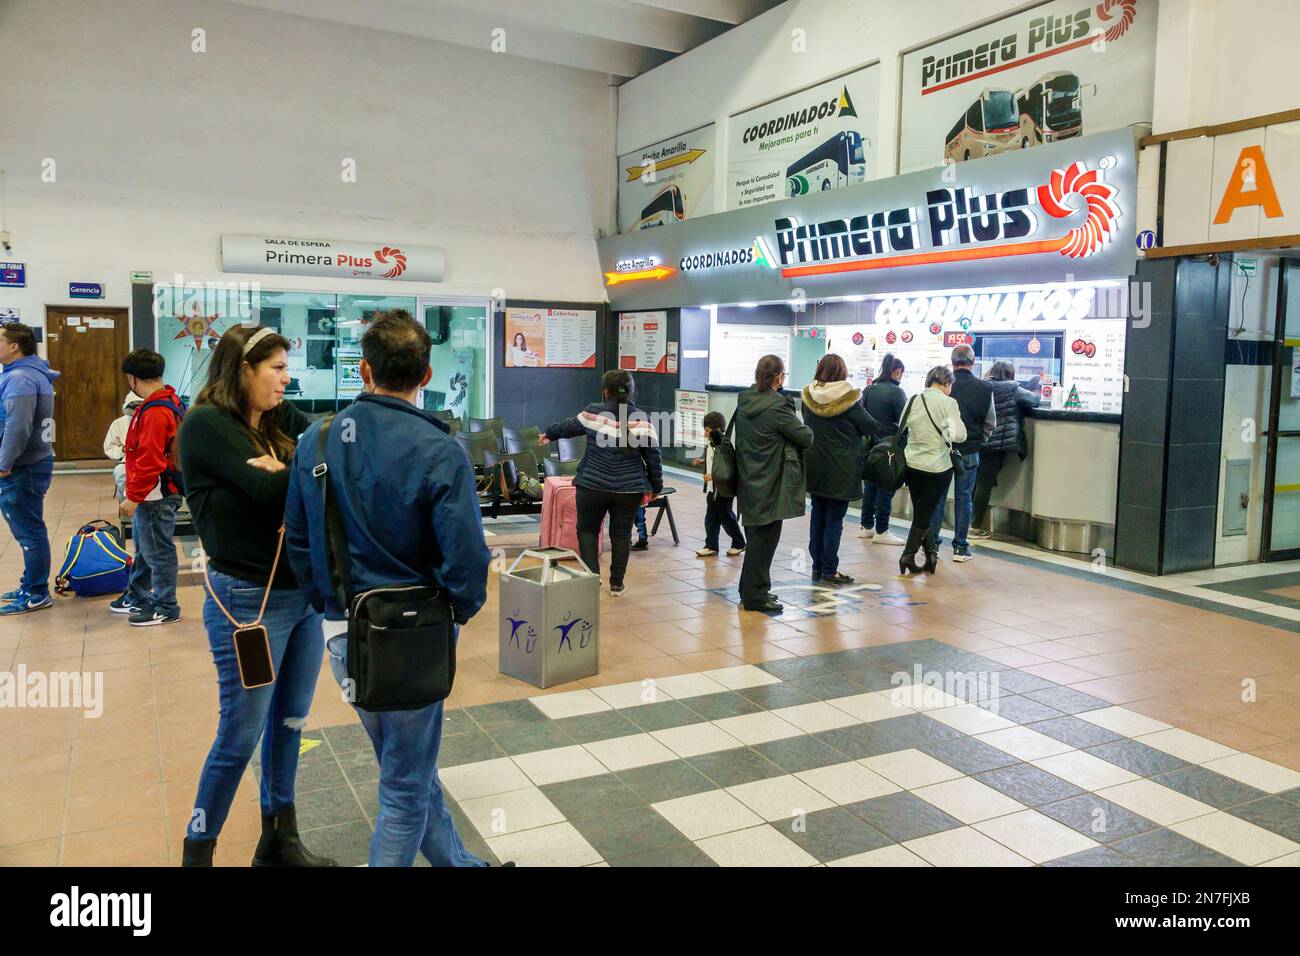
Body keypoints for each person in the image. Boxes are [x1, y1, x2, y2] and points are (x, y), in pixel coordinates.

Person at [284, 310, 494, 867]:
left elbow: (298, 540)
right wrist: (454, 610)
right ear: (426, 375)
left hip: (342, 634)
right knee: (404, 785)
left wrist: (326, 603)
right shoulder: (439, 449)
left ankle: (460, 864)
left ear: (363, 369)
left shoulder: (318, 440)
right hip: (414, 639)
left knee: (409, 768)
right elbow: (468, 558)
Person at [177, 324, 335, 868]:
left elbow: (327, 457)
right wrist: (294, 475)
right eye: (276, 369)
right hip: (247, 603)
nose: (286, 381)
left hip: (302, 597)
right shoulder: (205, 426)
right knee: (240, 733)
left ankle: (279, 840)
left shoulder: (278, 420)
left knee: (290, 722)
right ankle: (198, 853)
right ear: (244, 369)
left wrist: (287, 469)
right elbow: (273, 493)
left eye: (287, 369)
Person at [540, 369, 662, 597]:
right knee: (622, 534)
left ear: (606, 391)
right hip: (629, 489)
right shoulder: (643, 419)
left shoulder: (593, 413)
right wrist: (656, 486)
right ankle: (617, 583)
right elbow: (653, 456)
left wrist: (548, 434)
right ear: (631, 390)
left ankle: (591, 580)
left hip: (592, 485)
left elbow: (568, 426)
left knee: (587, 531)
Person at [735, 354, 812, 612]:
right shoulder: (778, 407)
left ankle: (749, 589)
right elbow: (806, 436)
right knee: (764, 539)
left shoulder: (745, 399)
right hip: (771, 480)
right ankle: (756, 595)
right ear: (778, 377)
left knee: (756, 536)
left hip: (749, 476)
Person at [115, 349, 186, 626]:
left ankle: (166, 606)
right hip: (156, 490)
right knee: (147, 547)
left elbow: (149, 459)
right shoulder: (168, 400)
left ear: (132, 378)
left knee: (159, 550)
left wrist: (133, 496)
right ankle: (137, 595)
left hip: (156, 494)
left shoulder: (156, 411)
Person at [801, 353, 876, 585]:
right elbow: (869, 426)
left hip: (815, 464)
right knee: (834, 519)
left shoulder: (808, 396)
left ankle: (817, 566)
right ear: (841, 372)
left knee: (818, 514)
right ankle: (829, 570)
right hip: (841, 468)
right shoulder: (849, 398)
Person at [0, 323, 58, 615]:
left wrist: (3, 464)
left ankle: (36, 593)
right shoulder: (29, 374)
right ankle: (30, 584)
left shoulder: (21, 378)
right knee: (29, 528)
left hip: (24, 465)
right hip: (32, 461)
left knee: (29, 532)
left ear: (14, 346)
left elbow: (17, 426)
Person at [928, 345, 994, 563]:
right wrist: (978, 441)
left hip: (942, 450)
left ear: (952, 361)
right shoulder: (985, 388)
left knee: (937, 498)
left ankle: (933, 546)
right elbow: (990, 422)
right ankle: (960, 548)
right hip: (969, 451)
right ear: (972, 362)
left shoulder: (942, 387)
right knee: (964, 498)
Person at [900, 366, 967, 576]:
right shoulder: (949, 403)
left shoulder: (913, 400)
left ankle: (931, 555)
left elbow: (902, 427)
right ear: (946, 383)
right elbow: (959, 435)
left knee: (923, 511)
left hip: (912, 464)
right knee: (923, 513)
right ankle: (908, 555)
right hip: (938, 467)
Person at [971, 360, 1040, 538]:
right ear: (1010, 374)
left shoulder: (981, 385)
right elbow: (1034, 400)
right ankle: (975, 527)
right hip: (997, 445)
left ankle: (967, 523)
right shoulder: (1012, 388)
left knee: (975, 482)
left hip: (978, 441)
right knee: (984, 484)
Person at [858, 353, 907, 546]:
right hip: (889, 446)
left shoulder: (869, 390)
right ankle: (882, 529)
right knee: (886, 486)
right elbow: (904, 422)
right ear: (897, 371)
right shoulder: (897, 393)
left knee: (870, 485)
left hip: (870, 446)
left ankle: (866, 526)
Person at [692, 410, 745, 558]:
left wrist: (713, 476)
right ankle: (711, 545)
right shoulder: (712, 444)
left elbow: (728, 469)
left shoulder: (724, 445)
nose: (705, 434)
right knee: (711, 519)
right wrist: (703, 461)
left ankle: (739, 543)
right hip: (712, 490)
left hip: (722, 490)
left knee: (726, 517)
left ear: (717, 430)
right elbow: (716, 462)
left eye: (707, 431)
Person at [104, 390, 146, 502]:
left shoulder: (154, 420)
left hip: (152, 458)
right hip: (128, 458)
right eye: (134, 406)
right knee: (122, 474)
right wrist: (123, 449)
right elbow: (109, 447)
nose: (137, 410)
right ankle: (126, 507)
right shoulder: (118, 424)